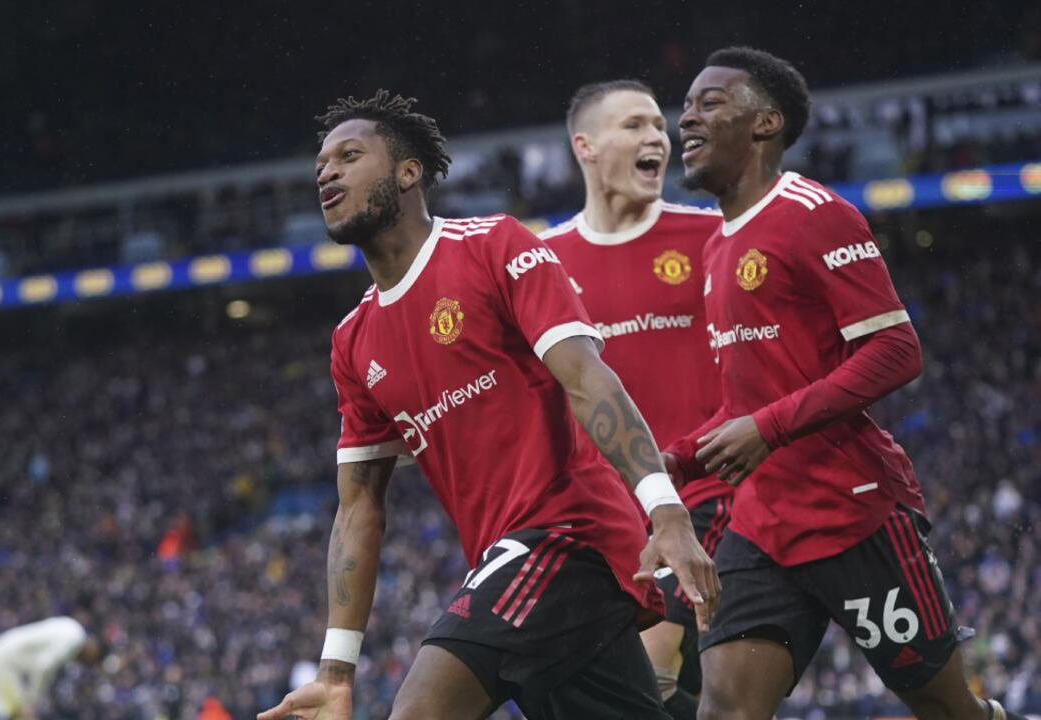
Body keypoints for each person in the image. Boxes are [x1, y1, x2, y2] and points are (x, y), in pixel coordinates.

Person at [258, 89, 719, 720]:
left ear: (408, 171)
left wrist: (665, 512)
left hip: (568, 537)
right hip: (516, 564)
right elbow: (358, 506)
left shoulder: (492, 247)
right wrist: (336, 673)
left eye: (349, 156)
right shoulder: (352, 340)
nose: (327, 173)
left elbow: (588, 378)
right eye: (321, 166)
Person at [667, 46, 1023, 720]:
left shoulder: (812, 212)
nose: (685, 119)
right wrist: (679, 457)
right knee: (724, 712)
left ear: (766, 123)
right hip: (761, 527)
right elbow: (747, 402)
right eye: (685, 105)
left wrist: (768, 429)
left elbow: (896, 349)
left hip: (851, 512)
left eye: (708, 103)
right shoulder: (717, 246)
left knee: (948, 712)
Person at [541, 78, 729, 720]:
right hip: (601, 521)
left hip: (705, 500)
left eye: (659, 125)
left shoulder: (712, 237)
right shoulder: (541, 262)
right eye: (634, 125)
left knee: (657, 671)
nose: (657, 137)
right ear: (585, 146)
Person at [0, 616, 104, 720]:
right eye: (90, 661)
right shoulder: (74, 639)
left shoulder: (71, 626)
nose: (85, 663)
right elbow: (43, 666)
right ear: (93, 649)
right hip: (3, 664)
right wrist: (30, 702)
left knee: (5, 712)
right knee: (20, 714)